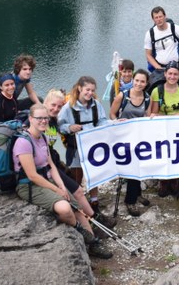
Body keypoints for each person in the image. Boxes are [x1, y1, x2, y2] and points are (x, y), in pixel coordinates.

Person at [13, 104, 112, 259]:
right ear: (31, 119)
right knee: (66, 208)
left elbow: (51, 165)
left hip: (47, 179)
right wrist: (58, 191)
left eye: (45, 118)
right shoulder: (24, 143)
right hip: (29, 185)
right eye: (39, 118)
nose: (43, 121)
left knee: (77, 208)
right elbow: (32, 175)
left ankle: (93, 244)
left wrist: (61, 185)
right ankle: (82, 232)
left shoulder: (43, 137)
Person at [41, 88, 97, 220]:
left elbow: (52, 143)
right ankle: (92, 217)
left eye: (59, 107)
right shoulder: (39, 121)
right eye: (53, 105)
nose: (56, 109)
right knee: (76, 190)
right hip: (43, 166)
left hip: (51, 161)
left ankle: (90, 215)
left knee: (73, 183)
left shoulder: (53, 121)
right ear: (45, 103)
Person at [57, 76, 108, 209]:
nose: (90, 93)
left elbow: (102, 121)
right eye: (87, 90)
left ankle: (94, 200)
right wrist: (69, 127)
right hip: (75, 148)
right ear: (79, 88)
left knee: (94, 173)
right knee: (76, 176)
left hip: (93, 146)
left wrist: (112, 124)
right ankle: (76, 202)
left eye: (92, 90)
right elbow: (60, 125)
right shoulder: (68, 107)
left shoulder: (96, 104)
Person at [109, 69, 153, 216]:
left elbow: (147, 116)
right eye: (137, 80)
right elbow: (112, 113)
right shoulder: (123, 95)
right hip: (124, 137)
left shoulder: (147, 98)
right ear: (133, 80)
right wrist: (117, 122)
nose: (139, 84)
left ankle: (137, 193)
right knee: (132, 168)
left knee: (139, 167)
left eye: (142, 81)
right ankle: (130, 200)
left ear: (147, 83)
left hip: (139, 138)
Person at [150, 62, 179, 198]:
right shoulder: (157, 91)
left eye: (175, 74)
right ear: (165, 74)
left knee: (177, 154)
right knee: (163, 154)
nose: (172, 76)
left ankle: (175, 181)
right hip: (163, 128)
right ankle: (163, 181)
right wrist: (172, 116)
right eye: (170, 73)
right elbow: (154, 113)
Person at [144, 6, 179, 88]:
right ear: (153, 19)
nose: (159, 19)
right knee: (154, 92)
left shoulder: (176, 29)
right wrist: (158, 68)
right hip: (160, 68)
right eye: (156, 17)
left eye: (160, 16)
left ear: (165, 16)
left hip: (175, 68)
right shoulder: (150, 34)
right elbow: (148, 54)